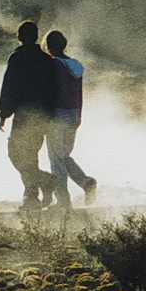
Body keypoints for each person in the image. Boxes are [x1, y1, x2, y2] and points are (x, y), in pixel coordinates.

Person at [0, 20, 56, 210]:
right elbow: (54, 90)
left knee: (16, 154)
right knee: (30, 155)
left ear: (20, 37)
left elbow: (10, 87)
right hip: (43, 116)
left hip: (24, 115)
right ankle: (32, 196)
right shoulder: (47, 60)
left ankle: (40, 187)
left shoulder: (18, 58)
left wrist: (4, 112)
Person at [44, 30, 98, 207]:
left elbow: (51, 92)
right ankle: (85, 182)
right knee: (64, 155)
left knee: (56, 158)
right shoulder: (75, 65)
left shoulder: (53, 65)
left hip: (57, 115)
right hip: (74, 115)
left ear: (50, 47)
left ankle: (63, 200)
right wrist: (79, 115)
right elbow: (79, 94)